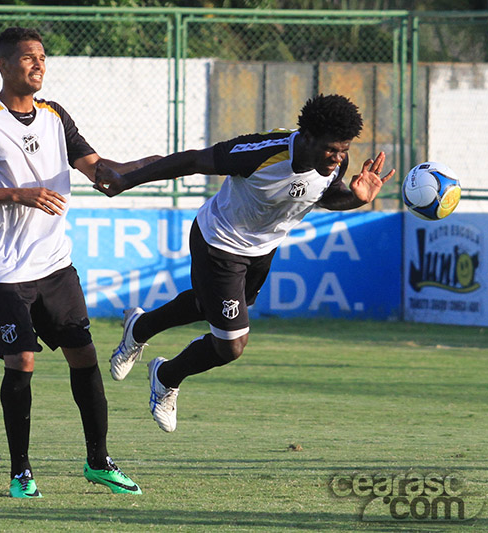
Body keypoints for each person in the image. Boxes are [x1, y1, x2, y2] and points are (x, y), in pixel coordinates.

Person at [0, 27, 158, 498]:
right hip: (3, 267)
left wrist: (141, 170)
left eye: (42, 57)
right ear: (3, 65)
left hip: (55, 263)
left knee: (85, 354)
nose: (38, 64)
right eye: (27, 58)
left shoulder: (56, 115)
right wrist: (18, 194)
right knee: (21, 360)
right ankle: (20, 470)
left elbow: (96, 166)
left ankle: (98, 461)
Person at [96, 93, 395, 433]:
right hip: (219, 242)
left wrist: (355, 200)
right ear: (308, 137)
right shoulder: (262, 152)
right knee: (231, 345)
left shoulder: (334, 162)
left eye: (344, 150)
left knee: (209, 306)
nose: (338, 158)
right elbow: (193, 161)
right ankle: (166, 376)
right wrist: (126, 180)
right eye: (332, 149)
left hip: (262, 250)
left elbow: (325, 195)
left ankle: (141, 327)